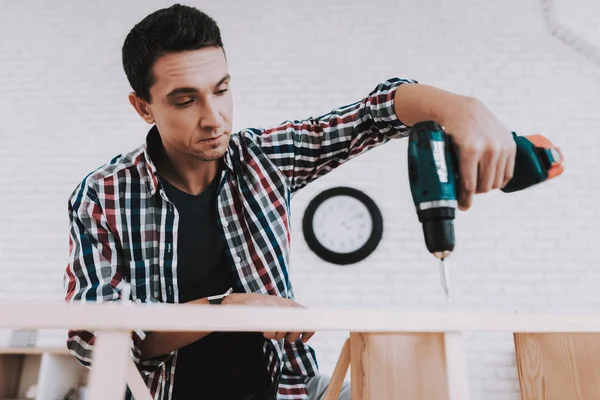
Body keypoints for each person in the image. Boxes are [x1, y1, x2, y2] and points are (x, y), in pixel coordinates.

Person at [63, 4, 516, 400]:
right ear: (143, 107)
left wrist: (461, 108)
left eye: (221, 90)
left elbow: (372, 114)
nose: (214, 117)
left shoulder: (265, 159)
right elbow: (95, 340)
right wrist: (225, 309)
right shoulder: (104, 194)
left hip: (290, 390)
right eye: (185, 100)